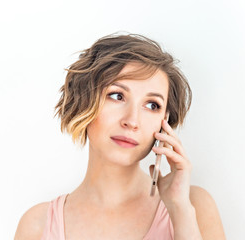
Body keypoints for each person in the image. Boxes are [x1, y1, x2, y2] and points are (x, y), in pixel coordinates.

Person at [14, 33, 226, 240]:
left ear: (164, 121)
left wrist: (180, 213)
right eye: (117, 96)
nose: (132, 121)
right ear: (84, 102)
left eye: (152, 105)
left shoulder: (193, 207)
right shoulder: (38, 226)